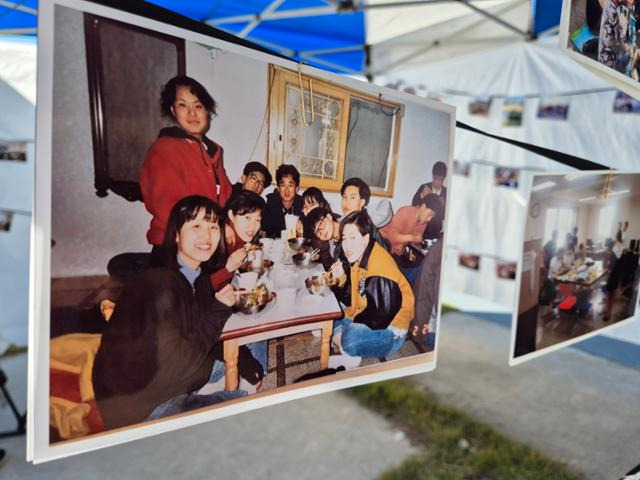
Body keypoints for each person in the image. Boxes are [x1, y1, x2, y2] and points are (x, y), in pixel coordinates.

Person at [92, 196, 247, 430]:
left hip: (167, 376)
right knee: (246, 412)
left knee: (242, 379)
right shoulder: (161, 284)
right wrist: (219, 309)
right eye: (196, 226)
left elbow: (200, 333)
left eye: (213, 227)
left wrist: (244, 361)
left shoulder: (199, 278)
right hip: (139, 406)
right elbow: (180, 364)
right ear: (176, 234)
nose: (206, 236)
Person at [140, 76, 233, 261]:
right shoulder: (165, 149)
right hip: (174, 250)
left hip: (203, 246)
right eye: (183, 105)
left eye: (198, 106)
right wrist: (219, 228)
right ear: (173, 110)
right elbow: (170, 208)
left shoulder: (213, 151)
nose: (192, 113)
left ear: (207, 111)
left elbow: (224, 196)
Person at [327, 211, 414, 367]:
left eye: (353, 237)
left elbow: (380, 316)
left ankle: (344, 346)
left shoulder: (379, 265)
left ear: (366, 238)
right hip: (370, 314)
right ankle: (342, 342)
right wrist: (340, 279)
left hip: (392, 330)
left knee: (349, 340)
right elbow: (355, 298)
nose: (347, 245)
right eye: (344, 238)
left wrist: (350, 323)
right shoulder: (359, 257)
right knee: (331, 313)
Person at [211, 191, 266, 290]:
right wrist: (227, 269)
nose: (253, 226)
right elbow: (196, 291)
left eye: (257, 220)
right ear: (231, 215)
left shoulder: (241, 239)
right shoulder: (216, 240)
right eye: (247, 218)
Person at [380, 194, 441, 261]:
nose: (429, 219)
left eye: (432, 217)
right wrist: (412, 237)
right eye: (429, 215)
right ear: (423, 206)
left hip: (398, 250)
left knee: (417, 265)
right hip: (384, 244)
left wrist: (414, 246)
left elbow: (412, 243)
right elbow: (392, 237)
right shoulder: (404, 212)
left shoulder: (423, 222)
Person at [340, 177, 390, 250]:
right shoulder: (343, 222)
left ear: (362, 202)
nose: (347, 202)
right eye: (344, 197)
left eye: (352, 198)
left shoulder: (367, 227)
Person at [263, 164, 304, 238]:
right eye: (283, 185)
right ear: (278, 188)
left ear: (297, 188)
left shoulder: (302, 205)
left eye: (290, 185)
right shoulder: (271, 204)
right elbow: (266, 232)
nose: (287, 190)